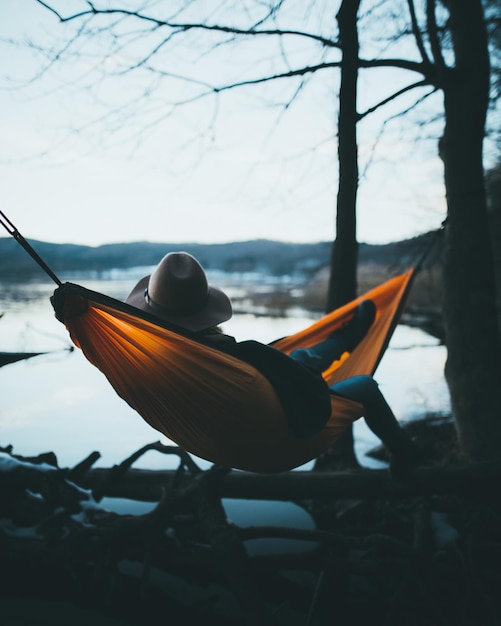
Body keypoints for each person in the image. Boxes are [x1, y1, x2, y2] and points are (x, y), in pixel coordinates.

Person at [126, 251, 419, 478]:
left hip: (229, 441)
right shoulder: (243, 356)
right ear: (205, 313)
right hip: (282, 437)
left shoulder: (155, 366)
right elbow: (311, 388)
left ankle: (345, 339)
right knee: (360, 384)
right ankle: (404, 453)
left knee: (294, 357)